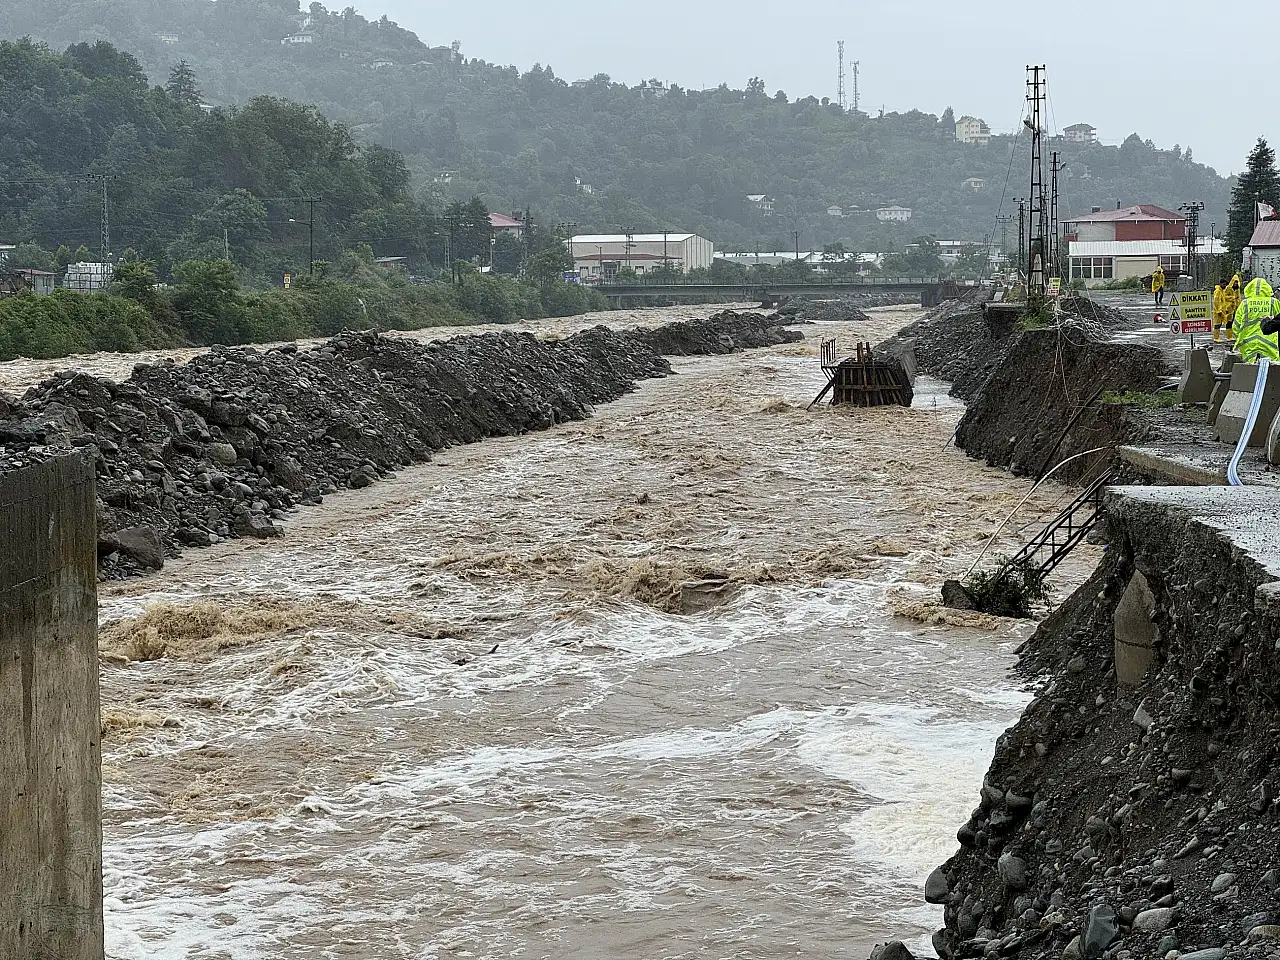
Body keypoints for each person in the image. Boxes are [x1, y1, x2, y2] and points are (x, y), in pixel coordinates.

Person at [1233, 277, 1280, 362]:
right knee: (1272, 371)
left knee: (1249, 372)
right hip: (1269, 343)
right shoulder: (1274, 302)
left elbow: (1236, 326)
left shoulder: (1245, 303)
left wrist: (1239, 339)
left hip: (1249, 343)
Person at [1223, 274, 1243, 342]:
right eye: (1235, 282)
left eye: (1237, 282)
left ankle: (1235, 336)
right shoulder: (1228, 288)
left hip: (1236, 308)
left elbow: (1238, 297)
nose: (1236, 283)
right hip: (1229, 307)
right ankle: (1229, 336)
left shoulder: (1237, 288)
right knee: (1229, 322)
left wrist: (1240, 306)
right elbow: (1224, 296)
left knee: (1236, 322)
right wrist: (1232, 298)